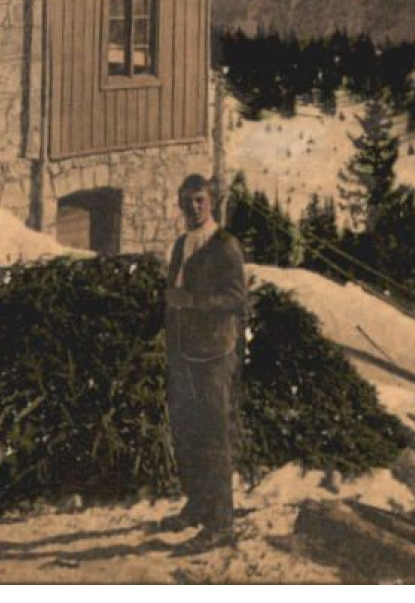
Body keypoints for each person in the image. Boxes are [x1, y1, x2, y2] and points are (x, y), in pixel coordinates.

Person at [160, 173, 247, 553]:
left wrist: (193, 304)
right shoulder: (182, 244)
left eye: (200, 201)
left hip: (213, 355)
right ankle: (197, 505)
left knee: (214, 436)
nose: (194, 207)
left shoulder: (225, 246)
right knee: (187, 431)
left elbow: (236, 299)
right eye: (188, 201)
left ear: (212, 203)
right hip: (183, 353)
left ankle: (221, 523)